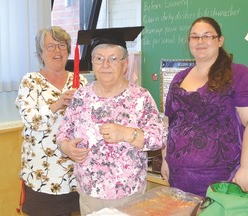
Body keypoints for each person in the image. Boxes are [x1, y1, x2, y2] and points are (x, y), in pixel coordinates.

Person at [56, 26, 167, 215]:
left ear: (125, 65)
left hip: (128, 194)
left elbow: (159, 137)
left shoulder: (140, 97)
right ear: (92, 63)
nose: (105, 65)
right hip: (90, 192)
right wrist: (67, 147)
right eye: (99, 59)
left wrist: (126, 133)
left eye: (113, 59)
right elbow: (62, 133)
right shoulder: (81, 96)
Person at [161, 17, 248, 197]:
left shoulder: (239, 74)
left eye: (207, 36)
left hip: (222, 182)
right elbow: (168, 123)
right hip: (178, 179)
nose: (200, 41)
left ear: (220, 41)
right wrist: (165, 159)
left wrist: (247, 169)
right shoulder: (179, 78)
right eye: (194, 37)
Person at [15, 26, 88, 216]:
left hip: (76, 175)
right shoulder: (30, 81)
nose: (57, 50)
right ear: (41, 52)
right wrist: (56, 105)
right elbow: (31, 120)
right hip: (43, 177)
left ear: (69, 50)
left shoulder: (81, 82)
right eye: (50, 46)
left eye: (62, 45)